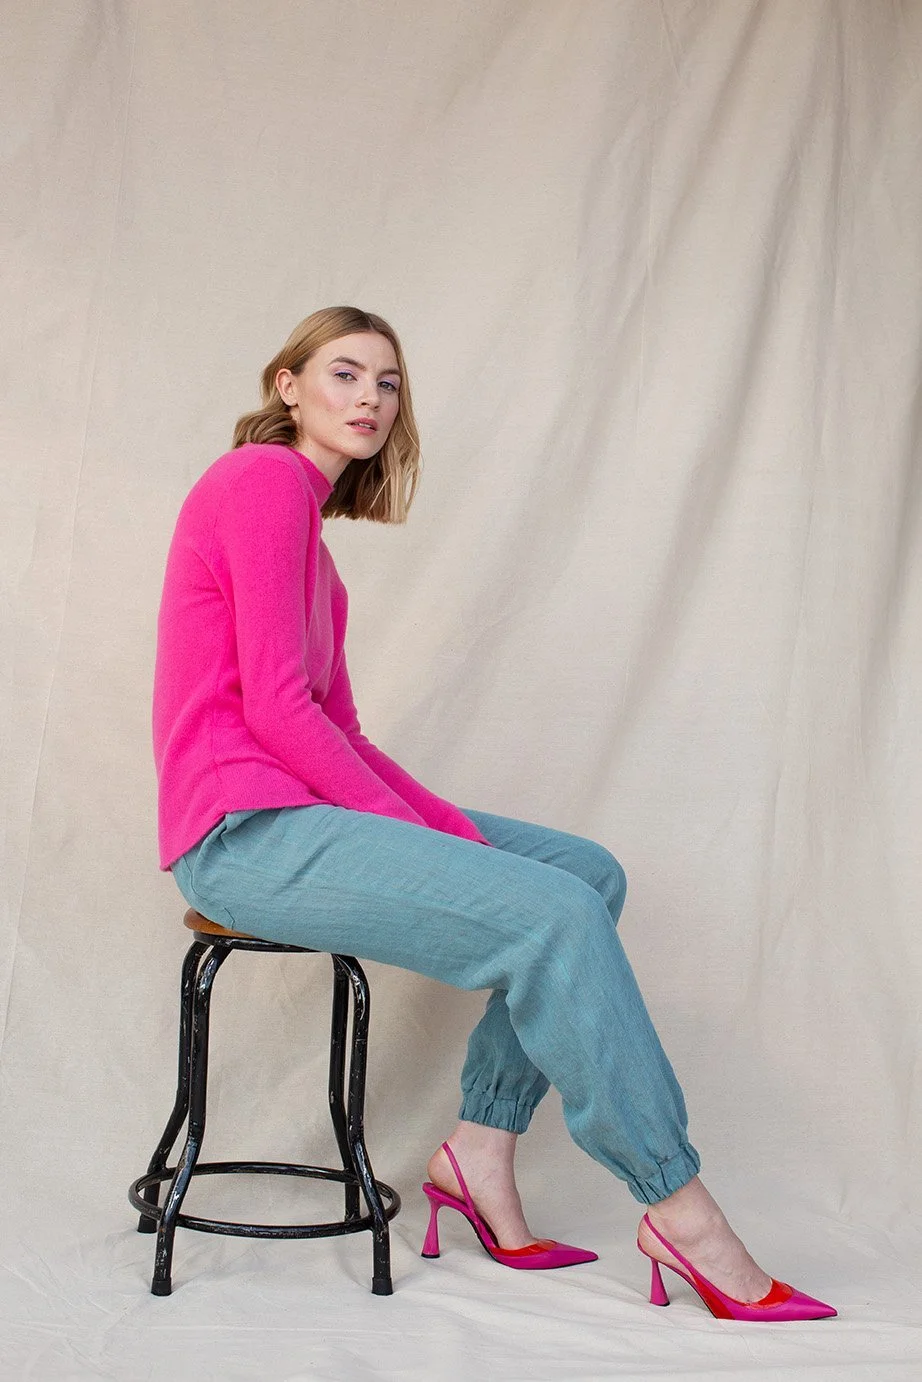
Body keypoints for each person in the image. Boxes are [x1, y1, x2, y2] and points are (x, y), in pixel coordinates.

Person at [152, 305, 836, 1322]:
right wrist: (411, 831)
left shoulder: (317, 556)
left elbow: (342, 731)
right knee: (553, 915)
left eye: (388, 383)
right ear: (287, 386)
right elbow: (277, 713)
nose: (370, 398)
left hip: (297, 813)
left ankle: (479, 1148)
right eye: (345, 373)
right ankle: (681, 1209)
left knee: (584, 873)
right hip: (241, 833)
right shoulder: (261, 481)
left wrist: (436, 827)